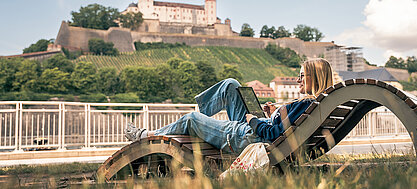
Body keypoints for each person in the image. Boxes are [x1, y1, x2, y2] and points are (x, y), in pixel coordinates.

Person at [125, 59, 333, 154]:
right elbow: (283, 128)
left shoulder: (307, 104)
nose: (298, 80)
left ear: (315, 77)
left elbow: (273, 134)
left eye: (302, 76)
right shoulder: (313, 104)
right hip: (255, 130)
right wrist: (273, 115)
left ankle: (147, 136)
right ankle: (199, 123)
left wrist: (255, 121)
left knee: (190, 119)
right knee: (230, 85)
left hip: (250, 136)